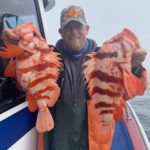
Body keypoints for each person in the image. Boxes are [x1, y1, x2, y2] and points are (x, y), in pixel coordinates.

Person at [0, 5, 147, 150]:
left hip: (92, 143)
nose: (74, 32)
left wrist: (134, 67)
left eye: (78, 26)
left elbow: (126, 94)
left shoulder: (105, 59)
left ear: (87, 29)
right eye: (68, 27)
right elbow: (18, 85)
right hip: (56, 143)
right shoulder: (45, 57)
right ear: (60, 31)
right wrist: (17, 51)